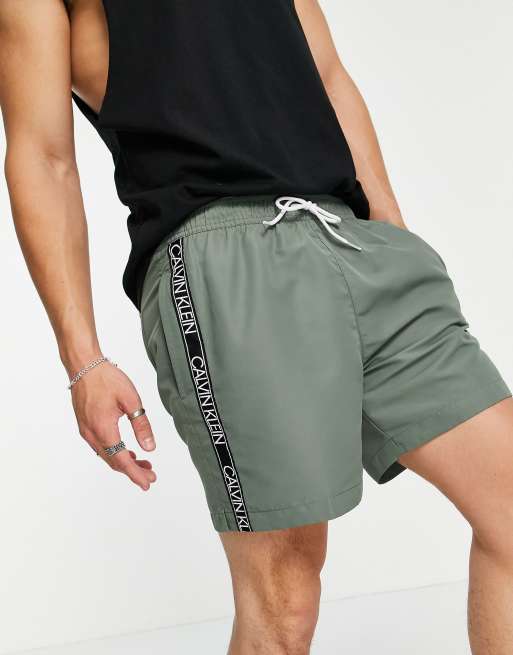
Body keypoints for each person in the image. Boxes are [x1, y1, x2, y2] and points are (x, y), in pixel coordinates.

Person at [1, 0, 511, 652]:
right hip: (222, 250)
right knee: (284, 596)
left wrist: (394, 235)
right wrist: (84, 360)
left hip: (347, 232)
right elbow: (43, 155)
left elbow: (327, 75)